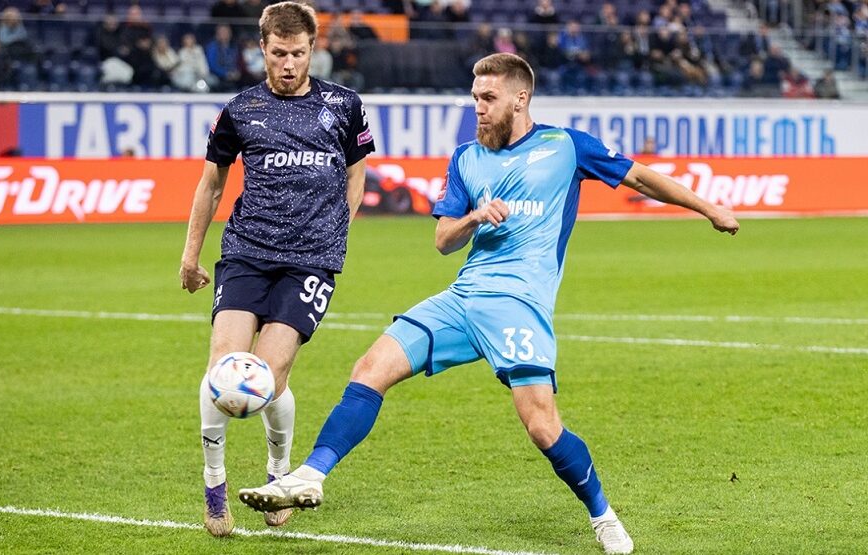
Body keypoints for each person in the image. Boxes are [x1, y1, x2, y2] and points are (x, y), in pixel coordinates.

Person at [238, 53, 739, 555]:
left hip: (520, 304)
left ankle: (603, 515)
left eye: (488, 98)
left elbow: (641, 178)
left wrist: (709, 208)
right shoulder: (466, 158)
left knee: (542, 427)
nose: (478, 107)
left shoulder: (566, 147)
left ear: (520, 98)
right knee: (371, 368)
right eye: (475, 98)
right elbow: (443, 240)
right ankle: (311, 475)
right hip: (463, 298)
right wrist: (475, 217)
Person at [179, 0, 375, 538]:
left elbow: (356, 176)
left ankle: (278, 473)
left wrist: (338, 230)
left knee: (268, 377)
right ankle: (214, 483)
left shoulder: (345, 105)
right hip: (247, 251)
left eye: (299, 53)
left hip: (310, 261)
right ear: (262, 49)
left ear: (314, 49)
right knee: (223, 371)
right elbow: (211, 184)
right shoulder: (240, 109)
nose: (289, 64)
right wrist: (190, 255)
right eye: (279, 53)